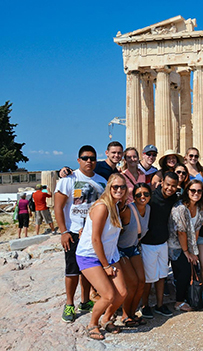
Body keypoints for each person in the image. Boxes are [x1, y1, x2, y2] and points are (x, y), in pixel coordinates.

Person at [55, 145, 106, 323]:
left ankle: (85, 301)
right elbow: (58, 207)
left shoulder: (102, 181)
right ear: (78, 160)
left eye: (92, 158)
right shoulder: (68, 179)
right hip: (74, 232)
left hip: (92, 233)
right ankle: (69, 304)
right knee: (72, 270)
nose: (89, 161)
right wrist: (63, 231)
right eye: (85, 158)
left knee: (88, 269)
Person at [75, 173, 128, 339]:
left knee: (122, 293)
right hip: (90, 256)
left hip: (110, 254)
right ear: (109, 188)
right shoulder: (102, 207)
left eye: (122, 187)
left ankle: (106, 319)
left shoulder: (116, 205)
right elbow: (95, 239)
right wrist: (105, 266)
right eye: (115, 187)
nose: (119, 190)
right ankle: (93, 324)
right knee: (108, 295)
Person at [140, 172, 179, 319]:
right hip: (148, 243)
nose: (170, 188)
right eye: (168, 184)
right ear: (162, 182)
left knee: (162, 275)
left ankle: (160, 305)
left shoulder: (173, 198)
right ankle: (145, 306)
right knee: (148, 278)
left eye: (173, 186)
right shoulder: (151, 198)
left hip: (163, 242)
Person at [168, 180, 203, 312]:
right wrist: (187, 252)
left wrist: (193, 251)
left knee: (191, 268)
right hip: (176, 246)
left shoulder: (199, 207)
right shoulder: (180, 208)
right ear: (187, 191)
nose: (196, 193)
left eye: (199, 191)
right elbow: (181, 232)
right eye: (193, 190)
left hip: (188, 245)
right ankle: (179, 301)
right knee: (184, 272)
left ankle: (186, 296)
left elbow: (197, 228)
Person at [118, 183, 151, 326]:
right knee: (132, 283)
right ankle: (125, 315)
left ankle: (132, 313)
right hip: (120, 250)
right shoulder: (127, 211)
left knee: (141, 281)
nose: (142, 197)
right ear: (134, 197)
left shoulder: (148, 209)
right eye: (138, 195)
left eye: (146, 194)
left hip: (133, 248)